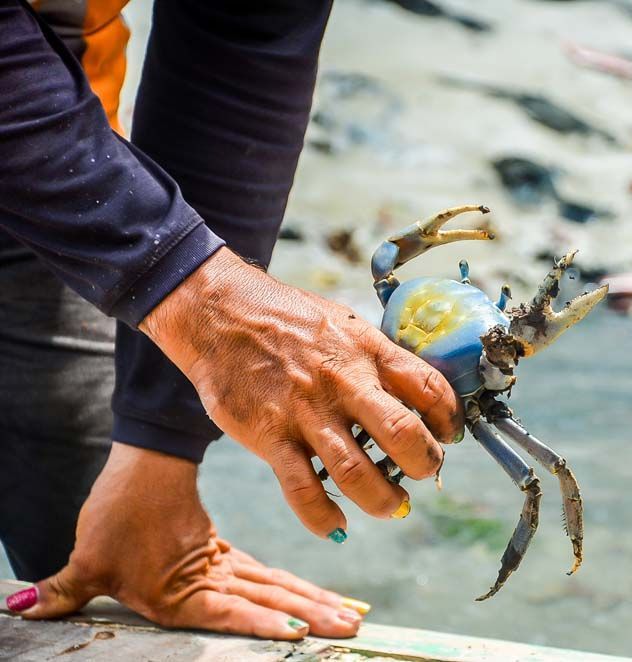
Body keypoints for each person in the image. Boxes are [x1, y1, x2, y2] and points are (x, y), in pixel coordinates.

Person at [0, 0, 463, 640]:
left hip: (53, 151)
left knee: (96, 542)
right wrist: (194, 289)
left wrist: (158, 443)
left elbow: (244, 33)